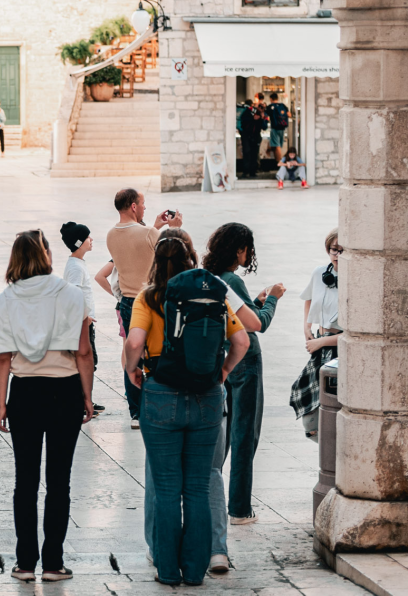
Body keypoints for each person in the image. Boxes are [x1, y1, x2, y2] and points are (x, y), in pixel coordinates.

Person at [124, 229, 250, 586]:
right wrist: (223, 372)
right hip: (207, 396)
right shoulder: (211, 293)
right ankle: (195, 570)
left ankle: (167, 569)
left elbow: (135, 341)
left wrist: (132, 368)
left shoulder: (149, 297)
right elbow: (241, 340)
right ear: (189, 261)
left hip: (162, 392)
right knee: (197, 486)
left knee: (166, 488)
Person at [0, 230, 94, 582]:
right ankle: (53, 562)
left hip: (25, 393)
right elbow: (83, 351)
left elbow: (2, 357)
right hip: (64, 390)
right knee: (59, 481)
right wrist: (86, 395)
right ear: (47, 254)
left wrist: (2, 404)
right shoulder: (71, 294)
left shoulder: (4, 301)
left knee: (25, 480)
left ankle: (24, 563)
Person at [202, 223, 284, 531]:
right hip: (247, 362)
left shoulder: (211, 277)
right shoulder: (232, 278)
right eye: (247, 248)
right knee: (245, 435)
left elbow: (240, 316)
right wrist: (273, 298)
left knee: (223, 435)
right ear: (239, 249)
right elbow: (257, 324)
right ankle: (239, 508)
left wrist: (258, 301)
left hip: (224, 360)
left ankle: (212, 497)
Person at [105, 188, 183, 428]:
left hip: (128, 302)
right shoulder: (149, 232)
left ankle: (136, 413)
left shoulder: (110, 235)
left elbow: (137, 248)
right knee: (162, 350)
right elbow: (173, 252)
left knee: (133, 354)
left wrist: (156, 228)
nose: (146, 207)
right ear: (133, 206)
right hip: (153, 299)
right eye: (143, 203)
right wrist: (174, 228)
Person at [292, 228, 341, 439]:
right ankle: (327, 449)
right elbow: (309, 298)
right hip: (319, 343)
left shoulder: (358, 280)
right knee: (304, 397)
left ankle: (334, 454)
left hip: (338, 349)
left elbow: (356, 335)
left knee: (333, 404)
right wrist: (306, 326)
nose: (338, 254)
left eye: (343, 250)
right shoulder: (320, 273)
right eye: (334, 249)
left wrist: (321, 343)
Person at [60, 222, 104, 413]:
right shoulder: (76, 268)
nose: (91, 239)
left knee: (88, 362)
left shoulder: (77, 264)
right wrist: (84, 318)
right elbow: (74, 294)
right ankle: (82, 402)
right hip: (81, 324)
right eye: (88, 237)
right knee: (87, 362)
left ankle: (86, 400)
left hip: (83, 322)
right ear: (79, 242)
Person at [238, 99, 263, 179]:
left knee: (253, 153)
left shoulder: (260, 115)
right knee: (248, 152)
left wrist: (262, 118)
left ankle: (252, 171)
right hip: (247, 136)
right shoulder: (247, 113)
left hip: (254, 136)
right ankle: (247, 171)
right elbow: (244, 122)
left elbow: (264, 127)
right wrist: (253, 119)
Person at [266, 92, 289, 162]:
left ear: (271, 99)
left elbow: (265, 116)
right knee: (276, 144)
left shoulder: (270, 106)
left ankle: (279, 162)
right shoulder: (283, 105)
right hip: (282, 128)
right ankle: (269, 150)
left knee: (277, 146)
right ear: (277, 98)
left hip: (274, 128)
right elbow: (289, 114)